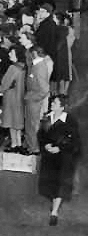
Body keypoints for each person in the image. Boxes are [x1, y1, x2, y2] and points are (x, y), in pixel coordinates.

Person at [38, 94, 81, 225]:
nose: (52, 105)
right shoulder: (47, 118)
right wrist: (45, 144)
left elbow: (74, 140)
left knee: (59, 183)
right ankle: (54, 203)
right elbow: (41, 134)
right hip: (49, 158)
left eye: (55, 103)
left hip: (63, 158)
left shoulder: (70, 121)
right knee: (50, 183)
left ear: (62, 107)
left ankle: (54, 212)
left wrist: (60, 148)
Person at [24, 46, 51, 154]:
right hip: (32, 99)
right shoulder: (37, 65)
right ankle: (31, 146)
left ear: (34, 53)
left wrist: (32, 98)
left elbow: (44, 90)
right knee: (30, 125)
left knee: (32, 125)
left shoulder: (39, 67)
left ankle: (34, 148)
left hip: (33, 101)